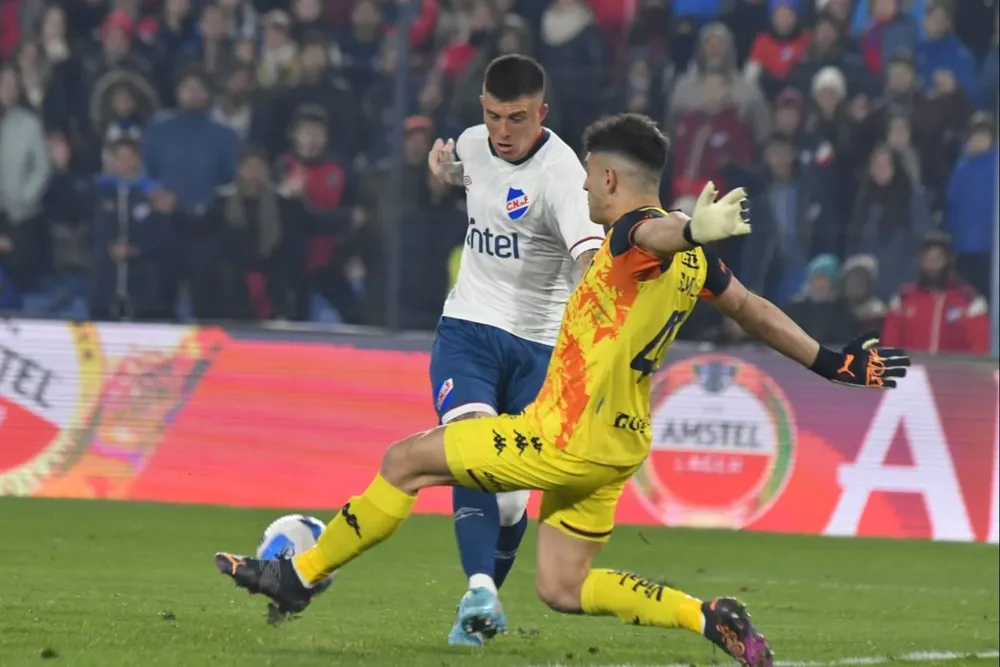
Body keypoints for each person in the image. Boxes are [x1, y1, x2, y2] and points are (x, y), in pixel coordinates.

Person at [214, 113, 911, 667]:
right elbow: (753, 308)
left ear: (609, 178)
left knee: (404, 460)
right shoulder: (693, 259)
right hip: (619, 445)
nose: (580, 192)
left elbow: (650, 229)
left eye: (586, 180)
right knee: (562, 586)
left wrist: (691, 223)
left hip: (563, 434)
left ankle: (298, 575)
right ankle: (709, 615)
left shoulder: (629, 239)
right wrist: (837, 363)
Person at [421, 54, 605, 645]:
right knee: (471, 449)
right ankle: (480, 590)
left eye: (517, 118)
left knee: (508, 505)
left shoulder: (562, 175)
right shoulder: (475, 145)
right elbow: (465, 177)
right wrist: (441, 170)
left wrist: (595, 327)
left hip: (539, 348)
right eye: (494, 115)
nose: (502, 131)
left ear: (542, 113)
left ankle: (479, 608)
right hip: (468, 330)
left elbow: (587, 260)